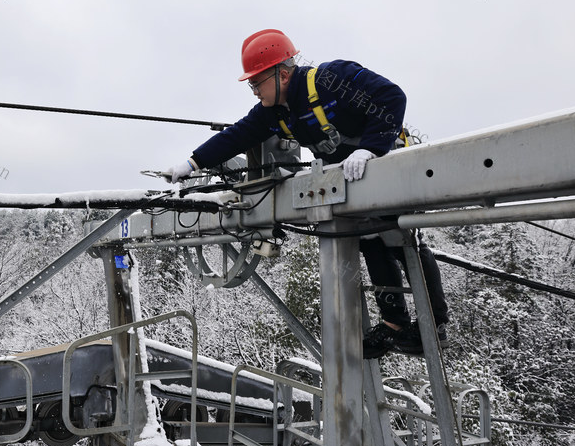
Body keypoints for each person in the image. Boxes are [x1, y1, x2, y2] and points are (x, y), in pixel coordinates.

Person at [162, 28, 448, 358]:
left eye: (257, 83)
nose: (254, 91)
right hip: (351, 180)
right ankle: (394, 324)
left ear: (282, 73)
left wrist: (371, 148)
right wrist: (193, 162)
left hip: (387, 165)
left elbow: (392, 98)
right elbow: (237, 136)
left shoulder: (333, 80)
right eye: (252, 85)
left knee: (402, 241)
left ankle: (435, 325)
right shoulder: (275, 114)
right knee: (370, 241)